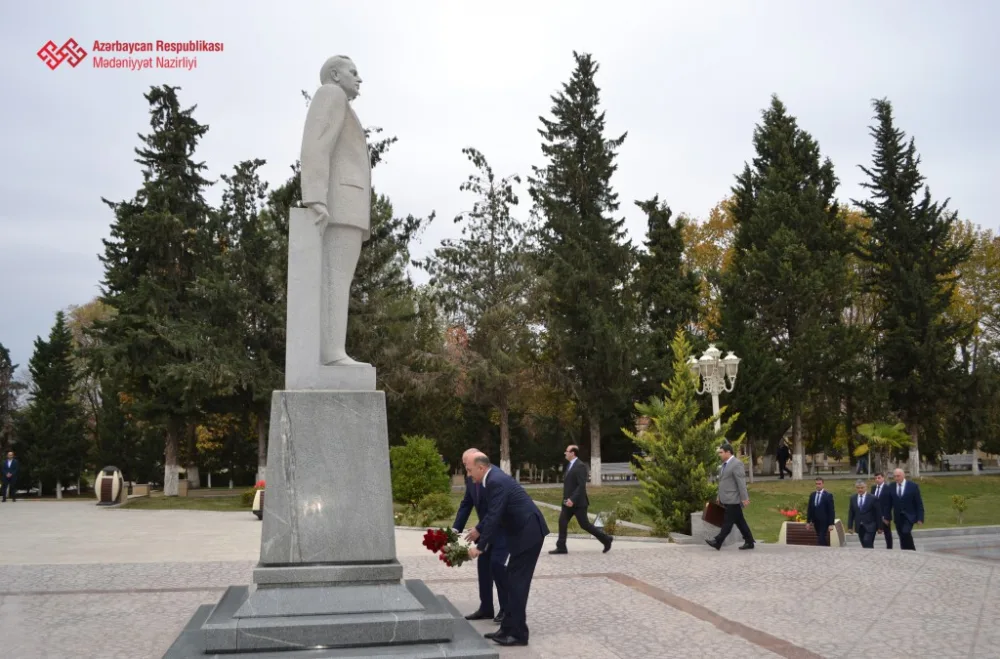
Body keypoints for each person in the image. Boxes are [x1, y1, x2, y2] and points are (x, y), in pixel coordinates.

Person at [300, 55, 371, 366]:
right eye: (352, 72)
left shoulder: (342, 101)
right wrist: (315, 196)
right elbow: (316, 144)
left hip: (347, 205)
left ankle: (333, 351)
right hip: (341, 204)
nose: (359, 78)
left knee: (339, 278)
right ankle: (332, 353)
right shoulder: (332, 94)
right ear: (334, 74)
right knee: (336, 279)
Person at [465, 453, 549, 647]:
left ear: (481, 467)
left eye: (469, 470)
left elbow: (494, 515)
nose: (469, 475)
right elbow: (494, 512)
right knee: (511, 580)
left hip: (529, 533)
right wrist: (479, 530)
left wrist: (480, 547)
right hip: (522, 533)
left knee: (518, 584)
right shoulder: (492, 478)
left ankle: (519, 635)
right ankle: (507, 628)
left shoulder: (495, 480)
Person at [452, 449, 508, 624]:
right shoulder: (472, 478)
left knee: (497, 566)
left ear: (478, 464)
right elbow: (466, 504)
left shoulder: (494, 478)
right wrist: (455, 529)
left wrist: (478, 528)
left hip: (501, 530)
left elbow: (496, 512)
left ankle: (506, 610)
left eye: (467, 465)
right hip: (485, 529)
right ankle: (486, 608)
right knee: (484, 568)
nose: (466, 469)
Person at [549, 445, 612, 555]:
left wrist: (572, 499)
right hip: (567, 503)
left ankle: (606, 539)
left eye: (567, 451)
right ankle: (561, 547)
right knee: (562, 522)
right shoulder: (569, 465)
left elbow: (581, 486)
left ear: (573, 453)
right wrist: (567, 499)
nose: (565, 453)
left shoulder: (580, 466)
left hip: (578, 503)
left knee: (585, 525)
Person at [705, 443, 754, 550]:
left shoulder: (737, 464)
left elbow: (741, 482)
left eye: (721, 452)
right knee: (740, 521)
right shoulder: (724, 465)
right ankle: (749, 541)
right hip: (725, 498)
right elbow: (722, 482)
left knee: (727, 522)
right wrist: (719, 496)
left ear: (728, 452)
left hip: (733, 499)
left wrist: (744, 498)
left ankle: (718, 541)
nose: (720, 455)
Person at [891, 468, 924, 550]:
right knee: (901, 536)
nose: (896, 478)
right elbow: (888, 503)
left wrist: (920, 518)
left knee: (906, 532)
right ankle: (905, 552)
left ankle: (912, 550)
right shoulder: (891, 486)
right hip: (898, 516)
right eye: (894, 476)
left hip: (909, 516)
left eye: (898, 476)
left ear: (903, 475)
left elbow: (918, 503)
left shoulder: (913, 486)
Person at [847, 479, 880, 548]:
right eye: (858, 488)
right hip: (860, 526)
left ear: (866, 487)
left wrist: (880, 527)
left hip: (871, 526)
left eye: (862, 488)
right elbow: (851, 513)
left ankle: (871, 557)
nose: (860, 490)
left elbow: (878, 513)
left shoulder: (873, 498)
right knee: (864, 544)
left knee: (867, 541)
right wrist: (850, 526)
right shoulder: (853, 498)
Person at [806, 477, 836, 546]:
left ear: (823, 484)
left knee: (821, 537)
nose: (818, 485)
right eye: (816, 484)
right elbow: (810, 508)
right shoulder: (812, 495)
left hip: (824, 521)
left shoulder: (828, 495)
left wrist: (831, 523)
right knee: (820, 536)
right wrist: (808, 521)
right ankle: (825, 549)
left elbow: (831, 510)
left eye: (819, 484)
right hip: (816, 521)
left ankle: (823, 551)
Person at [871, 471, 894, 549]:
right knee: (871, 533)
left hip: (884, 516)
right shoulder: (873, 488)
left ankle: (889, 548)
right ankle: (869, 548)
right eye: (875, 478)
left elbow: (889, 504)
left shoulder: (888, 488)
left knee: (887, 533)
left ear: (883, 478)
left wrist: (886, 517)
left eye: (879, 478)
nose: (877, 479)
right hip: (874, 516)